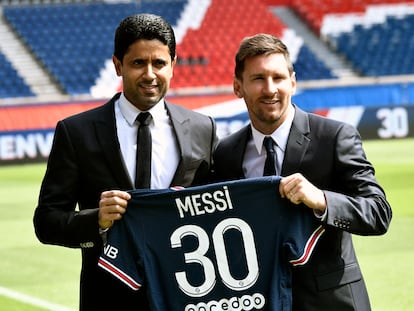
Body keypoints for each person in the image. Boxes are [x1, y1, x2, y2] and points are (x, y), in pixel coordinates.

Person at [33, 13, 217, 311]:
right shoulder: (76, 132)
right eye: (137, 63)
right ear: (118, 65)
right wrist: (97, 221)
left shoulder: (202, 128)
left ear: (173, 64)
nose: (149, 74)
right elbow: (46, 222)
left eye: (159, 63)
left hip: (187, 297)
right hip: (109, 299)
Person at [212, 33, 392, 311]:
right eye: (258, 79)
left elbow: (378, 213)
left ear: (292, 82)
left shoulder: (334, 137)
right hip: (261, 302)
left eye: (278, 78)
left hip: (332, 303)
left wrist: (322, 200)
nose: (270, 89)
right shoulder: (225, 153)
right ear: (238, 86)